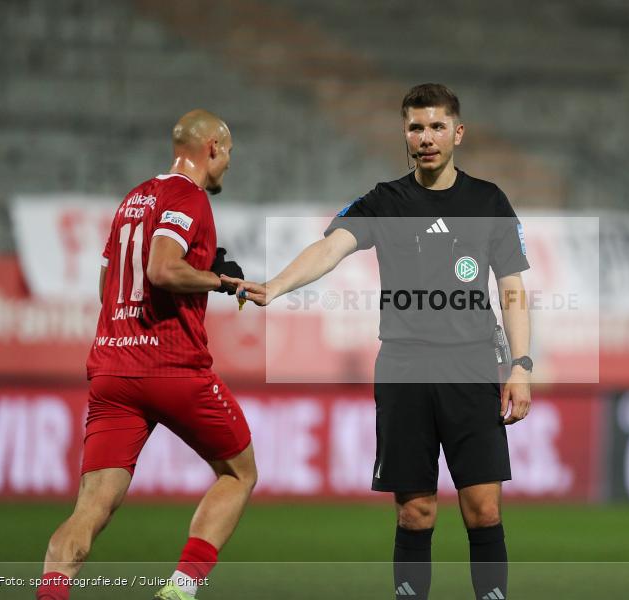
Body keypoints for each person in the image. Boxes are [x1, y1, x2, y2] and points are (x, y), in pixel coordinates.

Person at [227, 83, 532, 600]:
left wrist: (521, 365)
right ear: (404, 135)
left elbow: (512, 288)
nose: (426, 137)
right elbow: (331, 249)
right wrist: (276, 285)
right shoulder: (385, 201)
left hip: (472, 369)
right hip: (405, 370)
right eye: (416, 127)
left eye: (437, 126)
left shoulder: (488, 201)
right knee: (416, 512)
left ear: (458, 133)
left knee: (483, 509)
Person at [35, 110, 257, 600]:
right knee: (240, 473)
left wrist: (201, 264)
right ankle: (180, 589)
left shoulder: (133, 199)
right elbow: (161, 269)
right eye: (228, 155)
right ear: (213, 148)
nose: (227, 166)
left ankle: (51, 592)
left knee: (90, 508)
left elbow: (105, 284)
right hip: (173, 367)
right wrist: (220, 281)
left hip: (113, 369)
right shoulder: (190, 197)